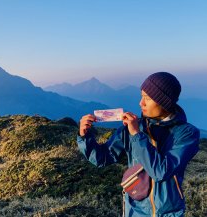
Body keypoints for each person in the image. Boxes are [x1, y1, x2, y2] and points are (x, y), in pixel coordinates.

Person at [77, 72, 200, 217]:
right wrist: (85, 136)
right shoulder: (133, 128)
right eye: (142, 96)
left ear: (164, 102)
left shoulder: (186, 133)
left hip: (169, 212)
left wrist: (136, 135)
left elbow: (161, 171)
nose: (140, 103)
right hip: (135, 211)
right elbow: (101, 158)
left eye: (147, 98)